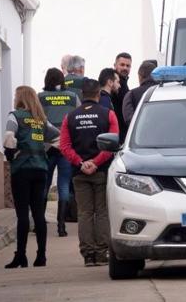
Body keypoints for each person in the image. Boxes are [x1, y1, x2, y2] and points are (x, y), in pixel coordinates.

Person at [60, 79, 119, 267]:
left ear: (81, 95)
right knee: (102, 212)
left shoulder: (69, 117)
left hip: (79, 173)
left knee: (84, 213)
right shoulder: (108, 114)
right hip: (101, 171)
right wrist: (96, 162)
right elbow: (113, 143)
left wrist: (80, 162)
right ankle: (102, 253)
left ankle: (88, 255)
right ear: (98, 94)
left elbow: (64, 146)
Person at [3, 86, 60, 268]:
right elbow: (58, 137)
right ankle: (41, 256)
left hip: (22, 169)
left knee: (22, 215)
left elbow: (8, 137)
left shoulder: (15, 116)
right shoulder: (41, 120)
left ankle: (21, 256)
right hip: (40, 169)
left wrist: (12, 153)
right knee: (38, 214)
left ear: (19, 98)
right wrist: (43, 149)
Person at [38, 68, 80, 237]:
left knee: (45, 185)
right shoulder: (72, 96)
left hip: (46, 147)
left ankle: (39, 223)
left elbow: (36, 119)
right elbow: (77, 118)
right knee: (63, 184)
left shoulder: (40, 97)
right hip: (65, 146)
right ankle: (61, 226)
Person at [122, 60, 158, 125]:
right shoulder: (165, 92)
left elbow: (130, 121)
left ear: (140, 76)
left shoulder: (131, 95)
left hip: (142, 134)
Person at [111, 52, 132, 143]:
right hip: (116, 134)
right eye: (122, 65)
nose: (125, 68)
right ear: (115, 65)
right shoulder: (115, 84)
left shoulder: (123, 83)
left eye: (128, 66)